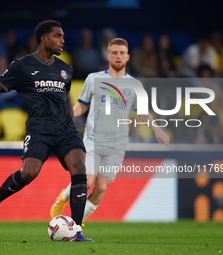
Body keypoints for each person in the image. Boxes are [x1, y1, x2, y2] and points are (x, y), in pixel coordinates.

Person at [0, 20, 93, 242]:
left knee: (79, 167)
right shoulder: (22, 66)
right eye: (58, 36)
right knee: (29, 172)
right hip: (39, 128)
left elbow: (66, 97)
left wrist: (72, 124)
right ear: (44, 39)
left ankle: (77, 230)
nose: (62, 40)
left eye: (63, 36)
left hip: (65, 129)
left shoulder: (65, 69)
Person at [50, 38, 170, 223]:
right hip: (93, 141)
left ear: (128, 57)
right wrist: (66, 120)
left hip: (117, 145)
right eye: (114, 52)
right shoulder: (94, 79)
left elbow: (142, 113)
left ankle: (76, 223)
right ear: (108, 56)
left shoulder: (135, 85)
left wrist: (157, 130)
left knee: (101, 187)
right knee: (88, 182)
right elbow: (82, 106)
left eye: (122, 53)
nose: (118, 56)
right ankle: (63, 198)